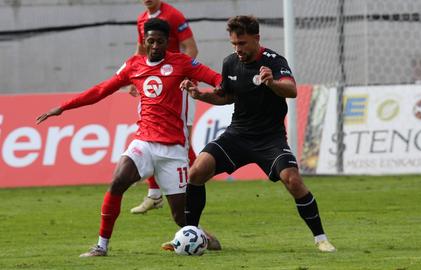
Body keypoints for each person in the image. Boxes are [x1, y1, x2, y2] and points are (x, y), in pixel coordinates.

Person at [36, 18, 222, 257]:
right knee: (118, 181)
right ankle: (101, 246)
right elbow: (102, 89)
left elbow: (215, 77)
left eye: (160, 41)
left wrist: (216, 91)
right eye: (151, 41)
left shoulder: (182, 63)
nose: (155, 46)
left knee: (181, 218)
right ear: (144, 42)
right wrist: (63, 106)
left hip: (174, 150)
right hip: (143, 142)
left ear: (168, 42)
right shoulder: (133, 65)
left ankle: (202, 237)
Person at [171, 15, 336, 252]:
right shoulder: (230, 63)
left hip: (270, 139)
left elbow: (291, 90)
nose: (238, 49)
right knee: (197, 171)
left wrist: (272, 83)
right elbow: (226, 95)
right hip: (237, 135)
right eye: (234, 44)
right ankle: (191, 234)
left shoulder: (274, 61)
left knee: (293, 180)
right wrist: (201, 95)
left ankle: (321, 239)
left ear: (257, 39)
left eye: (242, 43)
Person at [129, 0, 199, 214]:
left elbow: (191, 48)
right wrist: (136, 78)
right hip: (151, 86)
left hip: (176, 87)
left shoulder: (173, 15)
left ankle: (195, 188)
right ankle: (155, 195)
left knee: (183, 143)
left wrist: (175, 72)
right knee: (147, 136)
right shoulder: (142, 19)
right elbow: (141, 50)